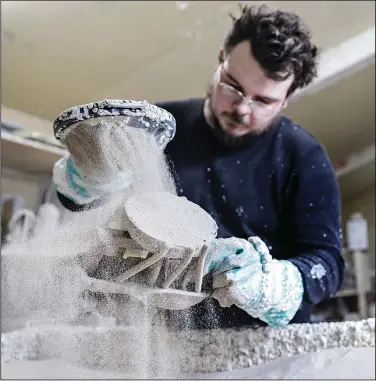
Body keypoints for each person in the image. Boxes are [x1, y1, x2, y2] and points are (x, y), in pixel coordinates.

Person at [54, 4, 344, 330]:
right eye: (232, 86)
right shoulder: (151, 130)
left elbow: (328, 264)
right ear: (221, 59)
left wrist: (272, 282)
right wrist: (86, 174)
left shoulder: (303, 156)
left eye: (263, 101)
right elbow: (77, 202)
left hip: (260, 345)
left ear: (287, 98)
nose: (242, 109)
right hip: (163, 336)